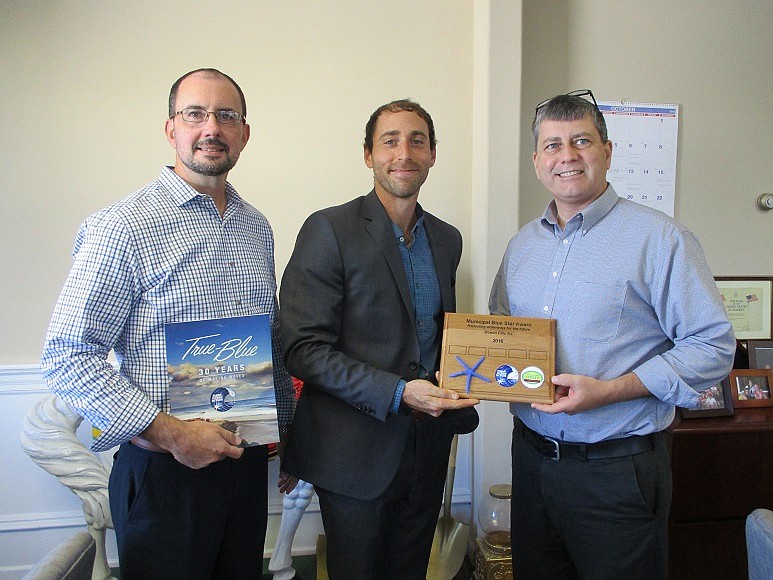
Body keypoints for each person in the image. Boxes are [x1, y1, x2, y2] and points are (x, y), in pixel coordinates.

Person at [41, 68, 295, 579]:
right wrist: (173, 433)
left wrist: (286, 430)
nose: (211, 128)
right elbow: (68, 354)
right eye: (195, 114)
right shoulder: (124, 226)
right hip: (162, 475)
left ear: (245, 133)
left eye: (227, 116)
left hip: (243, 466)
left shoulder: (256, 227)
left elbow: (268, 338)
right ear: (171, 129)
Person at [488, 89, 735, 580]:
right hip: (533, 463)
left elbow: (713, 346)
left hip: (617, 471)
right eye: (554, 145)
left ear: (607, 150)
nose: (568, 156)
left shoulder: (661, 239)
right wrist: (473, 374)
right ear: (537, 160)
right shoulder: (522, 246)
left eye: (581, 141)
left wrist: (609, 391)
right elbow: (502, 331)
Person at [279, 99, 480, 579]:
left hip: (427, 451)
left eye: (417, 141)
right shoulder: (329, 228)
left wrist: (478, 375)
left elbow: (433, 339)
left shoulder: (447, 239)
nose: (403, 152)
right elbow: (302, 348)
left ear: (433, 154)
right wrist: (398, 392)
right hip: (353, 455)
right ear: (368, 155)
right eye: (389, 141)